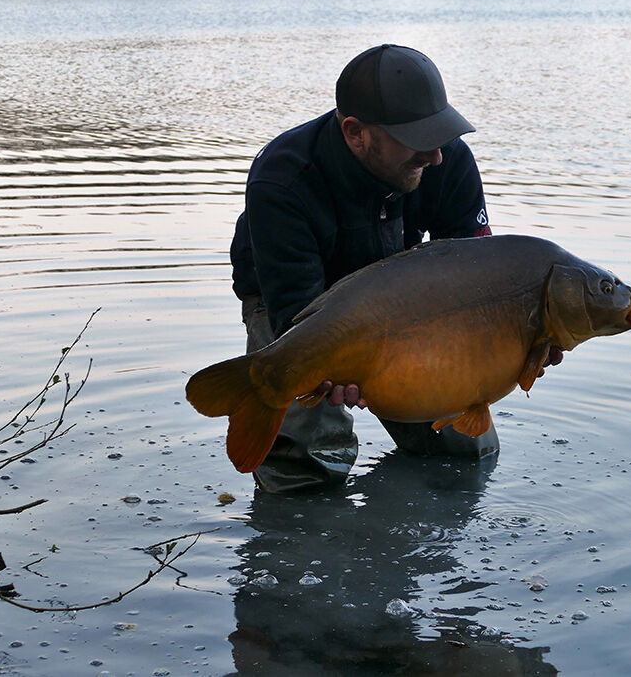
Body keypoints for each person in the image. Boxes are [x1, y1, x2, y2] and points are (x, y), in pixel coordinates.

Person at [229, 44, 557, 493]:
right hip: (294, 309)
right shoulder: (284, 178)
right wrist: (339, 373)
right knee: (307, 468)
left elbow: (477, 283)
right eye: (418, 138)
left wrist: (522, 340)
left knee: (466, 452)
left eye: (438, 133)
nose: (436, 155)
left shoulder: (448, 159)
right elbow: (294, 314)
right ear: (356, 132)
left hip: (411, 305)